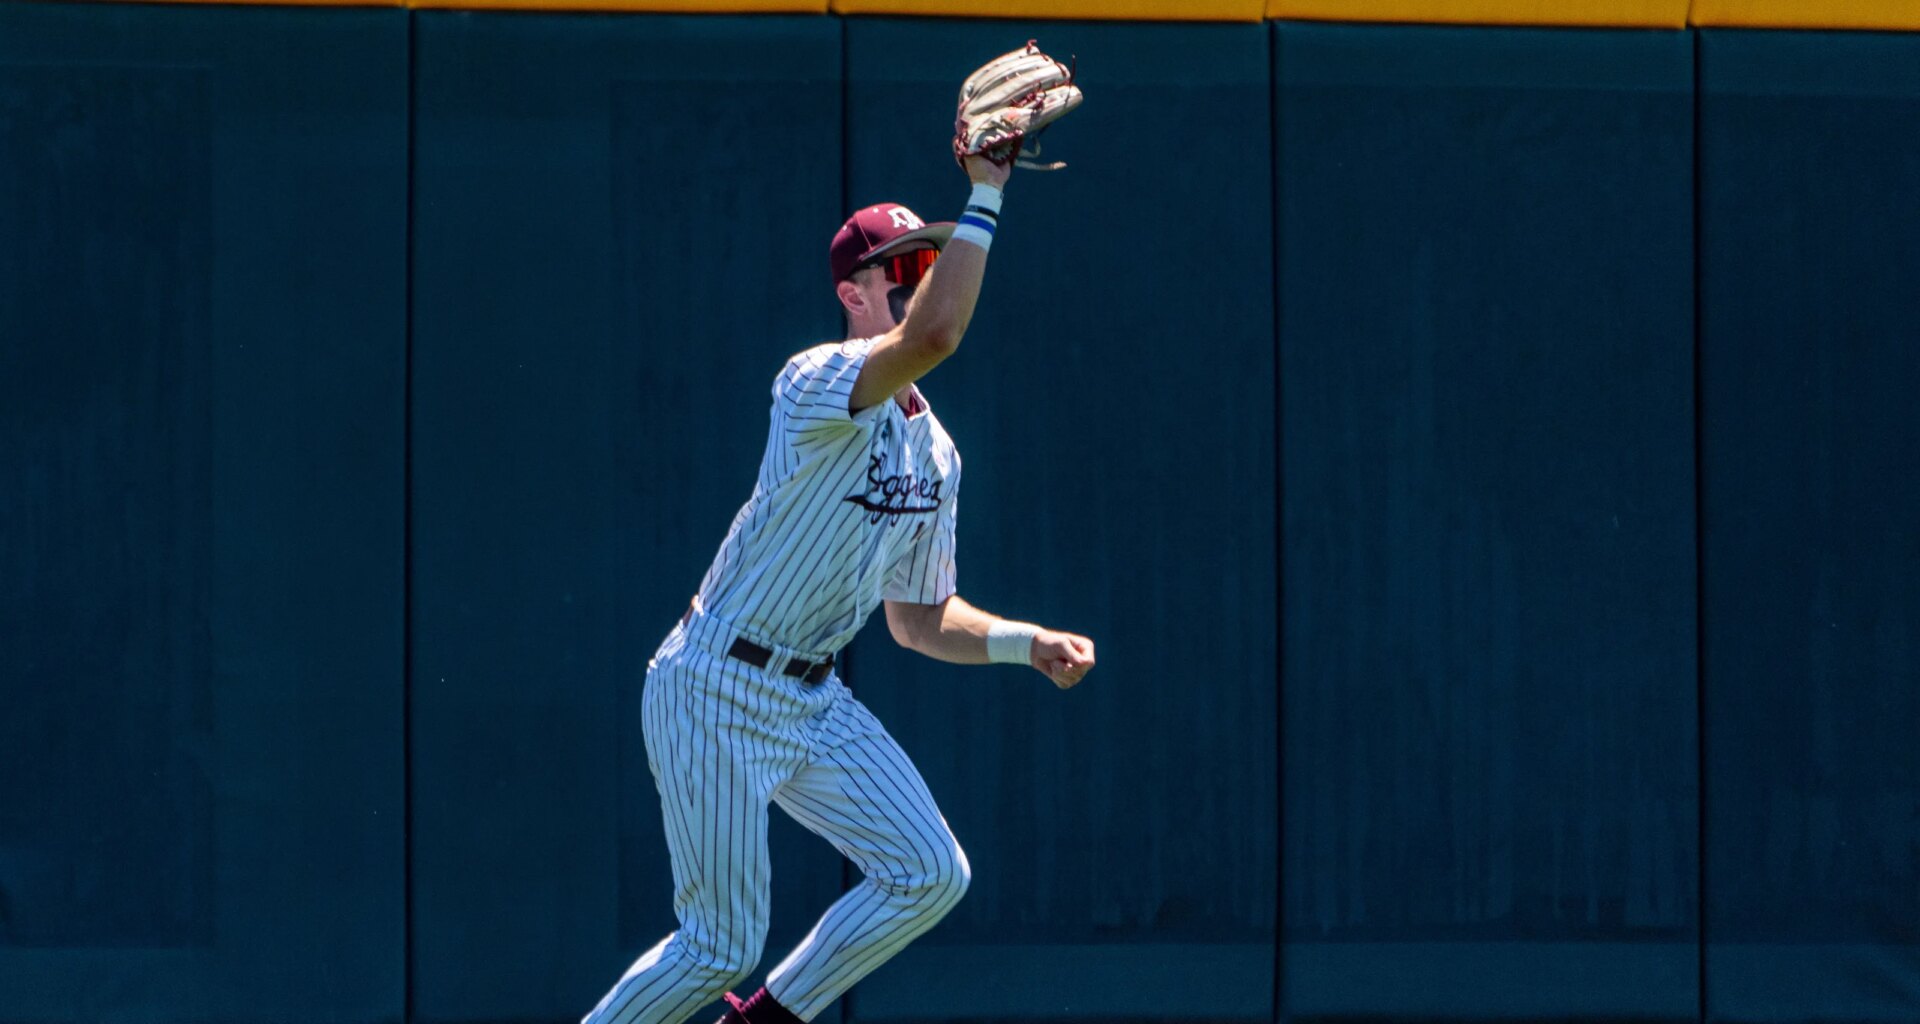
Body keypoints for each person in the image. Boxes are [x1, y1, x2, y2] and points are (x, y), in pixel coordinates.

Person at [583, 150, 1096, 1024]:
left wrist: (1024, 642)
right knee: (721, 944)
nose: (920, 280)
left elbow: (919, 621)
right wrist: (987, 191)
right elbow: (931, 338)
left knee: (931, 872)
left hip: (814, 698)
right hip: (713, 683)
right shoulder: (812, 379)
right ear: (852, 294)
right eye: (899, 269)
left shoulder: (937, 451)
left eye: (928, 265)